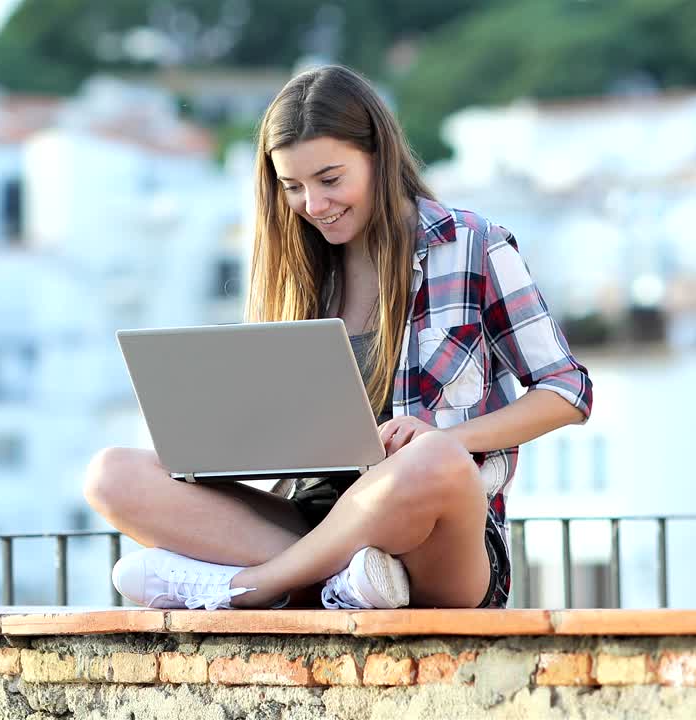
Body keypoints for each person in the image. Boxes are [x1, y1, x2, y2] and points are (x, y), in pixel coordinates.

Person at [82, 65, 594, 611]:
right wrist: (219, 443)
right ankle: (349, 585)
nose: (314, 205)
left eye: (330, 180)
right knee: (112, 475)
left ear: (378, 156)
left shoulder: (473, 245)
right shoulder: (298, 271)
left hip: (435, 537)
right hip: (314, 518)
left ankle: (252, 587)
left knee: (437, 460)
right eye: (293, 187)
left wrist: (446, 437)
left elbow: (568, 392)